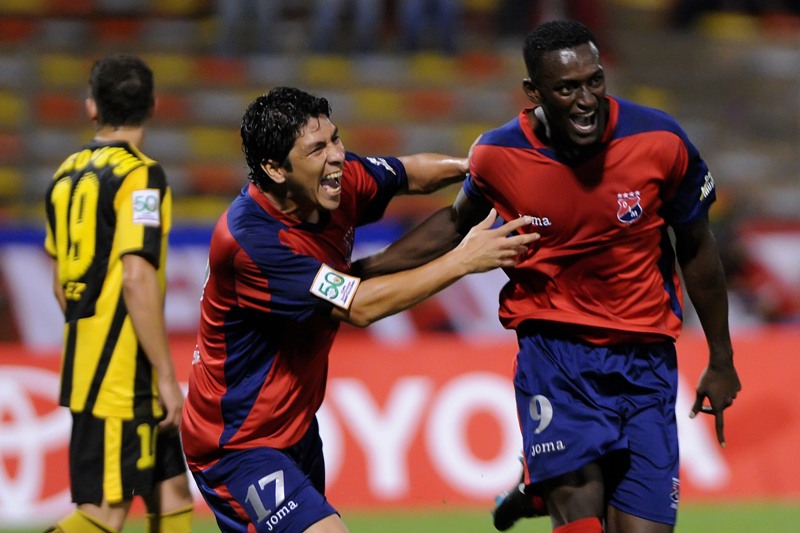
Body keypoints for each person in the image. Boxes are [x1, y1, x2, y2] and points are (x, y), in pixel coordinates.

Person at [354, 20, 742, 533]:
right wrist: (362, 270)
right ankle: (548, 482)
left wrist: (721, 357)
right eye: (567, 88)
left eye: (594, 81)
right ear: (534, 93)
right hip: (557, 358)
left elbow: (697, 249)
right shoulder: (499, 154)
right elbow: (453, 224)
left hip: (645, 360)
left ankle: (533, 489)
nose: (586, 100)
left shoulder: (660, 142)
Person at [179, 86, 539, 533]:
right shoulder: (252, 242)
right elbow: (359, 305)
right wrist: (465, 260)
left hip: (294, 428)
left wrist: (475, 167)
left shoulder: (337, 179)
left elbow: (409, 173)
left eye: (335, 138)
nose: (337, 157)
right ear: (274, 169)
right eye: (317, 149)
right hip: (237, 442)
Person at [43, 54, 194, 533]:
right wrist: (167, 376)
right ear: (153, 105)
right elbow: (137, 277)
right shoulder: (142, 177)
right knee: (102, 514)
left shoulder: (64, 175)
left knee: (170, 492)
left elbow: (60, 283)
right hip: (122, 377)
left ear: (92, 107)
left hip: (92, 362)